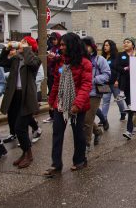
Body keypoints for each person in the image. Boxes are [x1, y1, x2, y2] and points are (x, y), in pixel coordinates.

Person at [44, 33, 92, 177]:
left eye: (64, 45)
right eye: (61, 45)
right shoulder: (61, 62)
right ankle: (56, 164)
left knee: (78, 133)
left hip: (78, 104)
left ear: (72, 45)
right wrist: (51, 101)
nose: (61, 47)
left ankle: (80, 159)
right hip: (61, 103)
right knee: (57, 132)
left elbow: (86, 85)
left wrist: (77, 104)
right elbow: (57, 83)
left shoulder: (85, 63)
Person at [0, 37, 41, 168]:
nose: (21, 44)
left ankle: (29, 155)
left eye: (24, 42)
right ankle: (24, 153)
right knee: (15, 126)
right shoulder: (16, 58)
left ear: (30, 47)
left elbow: (31, 64)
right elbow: (1, 62)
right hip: (14, 96)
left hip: (26, 97)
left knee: (20, 128)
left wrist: (26, 49)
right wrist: (6, 49)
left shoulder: (35, 59)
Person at [82, 37, 110, 150]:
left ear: (92, 46)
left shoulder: (100, 59)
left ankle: (86, 144)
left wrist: (93, 79)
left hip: (95, 93)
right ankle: (98, 131)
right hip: (82, 92)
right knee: (84, 118)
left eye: (87, 45)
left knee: (87, 120)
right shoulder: (80, 58)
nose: (85, 48)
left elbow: (107, 74)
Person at [98, 40, 127, 125]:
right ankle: (104, 119)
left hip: (114, 82)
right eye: (104, 45)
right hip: (104, 83)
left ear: (111, 46)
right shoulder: (102, 57)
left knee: (119, 100)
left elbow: (119, 70)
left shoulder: (117, 56)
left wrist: (118, 80)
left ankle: (123, 113)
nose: (105, 47)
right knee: (105, 101)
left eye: (107, 45)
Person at [116, 38, 136, 139]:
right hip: (127, 85)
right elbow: (116, 66)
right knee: (131, 107)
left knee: (135, 107)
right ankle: (129, 130)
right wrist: (125, 69)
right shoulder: (121, 55)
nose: (125, 44)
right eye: (124, 42)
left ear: (133, 45)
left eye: (128, 42)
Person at [44, 32, 61, 123]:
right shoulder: (52, 49)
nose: (54, 41)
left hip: (59, 75)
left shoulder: (61, 49)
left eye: (55, 39)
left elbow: (63, 64)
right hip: (51, 75)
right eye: (52, 40)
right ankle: (52, 115)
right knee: (51, 94)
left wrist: (55, 58)